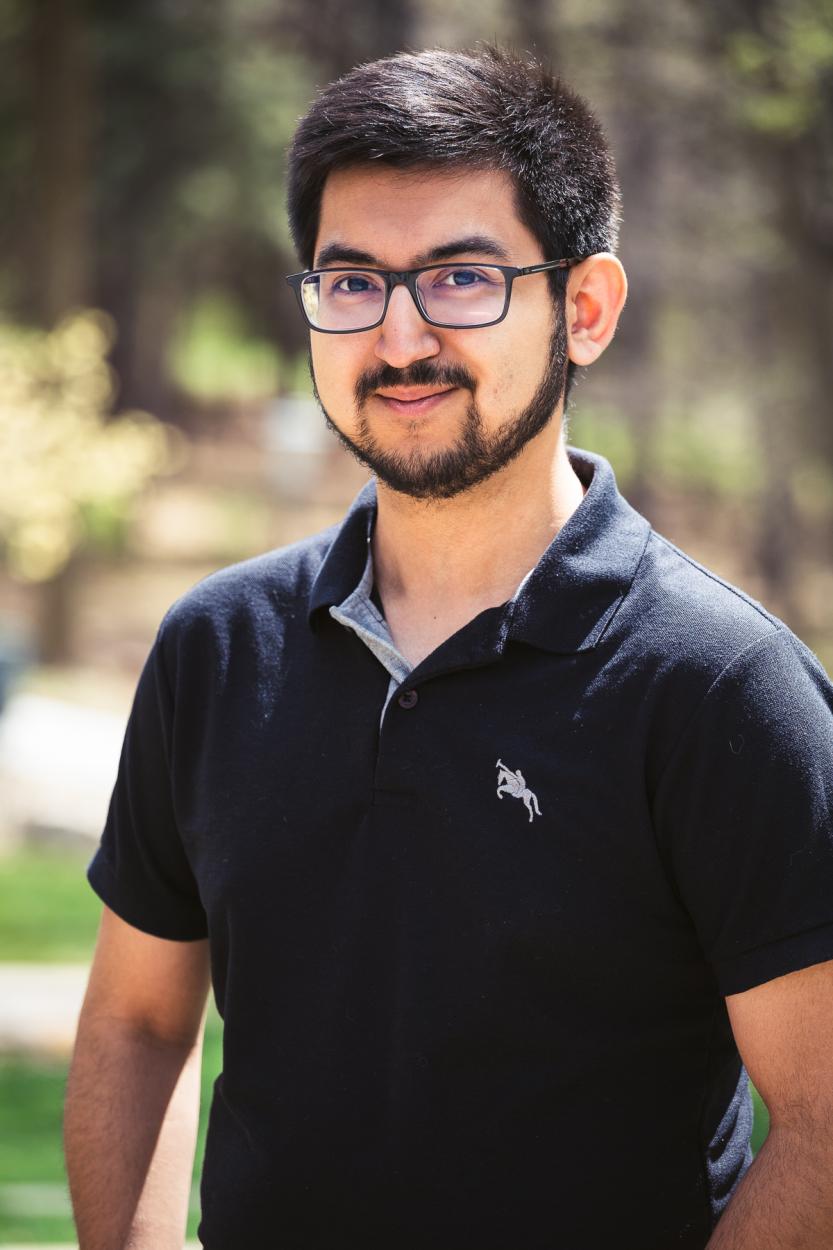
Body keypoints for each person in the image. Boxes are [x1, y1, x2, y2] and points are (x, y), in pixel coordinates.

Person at [64, 45, 833, 1250]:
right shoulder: (213, 647)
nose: (400, 336)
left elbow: (825, 1123)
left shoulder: (722, 687)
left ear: (582, 308)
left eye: (463, 278)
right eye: (352, 280)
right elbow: (139, 1023)